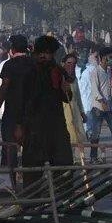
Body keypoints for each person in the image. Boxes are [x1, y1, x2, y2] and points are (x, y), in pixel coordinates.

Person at [21, 36, 74, 190]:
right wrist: (19, 125)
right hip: (33, 127)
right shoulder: (29, 71)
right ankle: (31, 203)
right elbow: (21, 100)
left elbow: (66, 97)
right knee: (32, 171)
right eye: (41, 53)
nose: (43, 56)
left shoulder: (57, 70)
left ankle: (64, 202)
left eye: (47, 53)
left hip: (56, 126)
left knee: (63, 167)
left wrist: (65, 89)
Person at [0, 35, 34, 168]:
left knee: (9, 152)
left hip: (11, 114)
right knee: (30, 152)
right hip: (31, 114)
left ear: (12, 49)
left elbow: (4, 86)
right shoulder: (34, 64)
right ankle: (32, 183)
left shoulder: (9, 65)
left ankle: (8, 182)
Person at [83, 47, 112, 163]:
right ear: (102, 58)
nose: (111, 60)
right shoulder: (95, 72)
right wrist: (102, 102)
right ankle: (93, 157)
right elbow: (95, 90)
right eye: (109, 57)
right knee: (96, 133)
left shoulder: (109, 71)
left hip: (109, 106)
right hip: (98, 107)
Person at [61, 53, 89, 159]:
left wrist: (82, 113)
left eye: (73, 63)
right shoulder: (59, 76)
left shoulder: (74, 78)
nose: (71, 65)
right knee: (67, 135)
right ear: (64, 63)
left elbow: (78, 97)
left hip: (75, 110)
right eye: (69, 63)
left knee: (77, 136)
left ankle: (77, 159)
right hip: (63, 110)